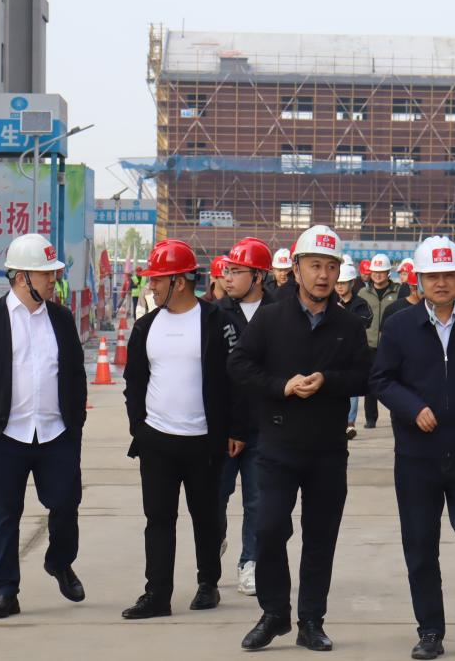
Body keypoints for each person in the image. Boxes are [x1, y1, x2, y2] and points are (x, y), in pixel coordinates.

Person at [228, 225, 370, 652]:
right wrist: (281, 386)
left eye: (331, 267)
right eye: (314, 266)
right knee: (270, 529)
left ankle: (311, 621)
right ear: (296, 269)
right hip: (277, 444)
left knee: (320, 537)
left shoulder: (349, 324)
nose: (323, 275)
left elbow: (365, 376)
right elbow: (239, 365)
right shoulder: (271, 318)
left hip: (328, 449)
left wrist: (328, 380)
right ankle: (274, 613)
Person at [371, 237, 455, 660]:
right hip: (417, 455)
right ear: (419, 279)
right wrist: (413, 408)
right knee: (420, 545)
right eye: (433, 276)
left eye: (449, 275)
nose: (442, 283)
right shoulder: (400, 326)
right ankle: (430, 629)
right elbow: (381, 380)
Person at [0, 233, 87, 619]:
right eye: (45, 273)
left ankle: (59, 562)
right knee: (4, 513)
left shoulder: (61, 319)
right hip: (5, 435)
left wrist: (75, 424)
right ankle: (4, 591)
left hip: (56, 433)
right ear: (20, 277)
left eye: (53, 273)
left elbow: (75, 373)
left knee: (65, 504)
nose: (53, 280)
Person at [121, 240, 237, 619]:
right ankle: (157, 594)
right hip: (156, 441)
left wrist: (234, 430)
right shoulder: (146, 326)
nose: (151, 286)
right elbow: (134, 380)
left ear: (180, 282)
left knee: (205, 518)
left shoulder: (217, 322)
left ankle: (208, 584)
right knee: (158, 519)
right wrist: (139, 427)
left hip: (204, 442)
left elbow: (235, 380)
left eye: (157, 280)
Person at [215, 237, 273, 597]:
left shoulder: (280, 312)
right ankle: (215, 539)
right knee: (214, 497)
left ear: (258, 276)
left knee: (257, 500)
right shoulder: (215, 314)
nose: (228, 277)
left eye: (237, 271)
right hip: (222, 428)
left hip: (264, 427)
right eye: (227, 270)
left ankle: (250, 562)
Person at [360, 254, 404, 429]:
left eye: (382, 271)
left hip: (391, 344)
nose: (378, 275)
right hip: (369, 345)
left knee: (394, 381)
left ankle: (396, 414)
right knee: (370, 383)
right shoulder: (363, 293)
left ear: (388, 273)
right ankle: (371, 418)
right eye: (375, 272)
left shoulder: (398, 291)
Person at [336, 263, 374, 440]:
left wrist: (345, 315)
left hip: (352, 351)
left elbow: (366, 320)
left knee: (351, 389)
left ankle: (349, 423)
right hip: (333, 350)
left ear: (351, 283)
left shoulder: (360, 303)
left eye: (343, 283)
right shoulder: (329, 301)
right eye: (338, 283)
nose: (340, 287)